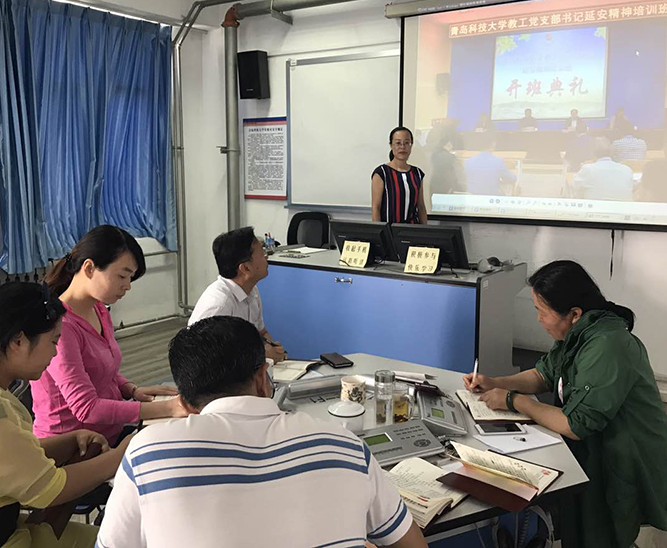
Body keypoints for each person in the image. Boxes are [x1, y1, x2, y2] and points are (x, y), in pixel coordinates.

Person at [96, 316, 427, 548]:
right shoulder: (345, 446)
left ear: (184, 402)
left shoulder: (147, 453)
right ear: (261, 380)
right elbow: (411, 544)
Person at [462, 261, 667, 548]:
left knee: (599, 530)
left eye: (542, 312)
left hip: (623, 458)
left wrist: (512, 400)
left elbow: (575, 424)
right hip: (594, 446)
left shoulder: (608, 345)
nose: (538, 320)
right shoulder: (580, 333)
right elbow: (543, 375)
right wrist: (495, 382)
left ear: (574, 314)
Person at [0, 282, 133, 548]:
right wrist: (123, 454)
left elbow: (6, 456)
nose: (55, 352)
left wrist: (69, 440)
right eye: (53, 342)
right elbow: (49, 490)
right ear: (18, 341)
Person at [32, 225, 187, 446]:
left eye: (130, 278)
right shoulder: (61, 328)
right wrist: (167, 408)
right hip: (74, 449)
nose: (127, 286)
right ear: (89, 268)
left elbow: (103, 369)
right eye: (122, 276)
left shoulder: (98, 309)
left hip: (109, 435)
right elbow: (87, 408)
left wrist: (131, 389)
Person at [188, 227, 286, 363]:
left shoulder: (252, 290)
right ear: (245, 268)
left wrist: (273, 348)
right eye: (262, 253)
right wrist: (261, 355)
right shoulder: (219, 306)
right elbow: (205, 361)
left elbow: (261, 333)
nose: (266, 257)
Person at [372, 126, 428, 224]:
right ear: (391, 145)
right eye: (398, 143)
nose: (402, 147)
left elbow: (421, 207)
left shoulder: (417, 173)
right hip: (389, 229)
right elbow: (376, 207)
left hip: (413, 229)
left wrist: (425, 230)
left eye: (406, 143)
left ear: (411, 145)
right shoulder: (382, 173)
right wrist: (380, 231)